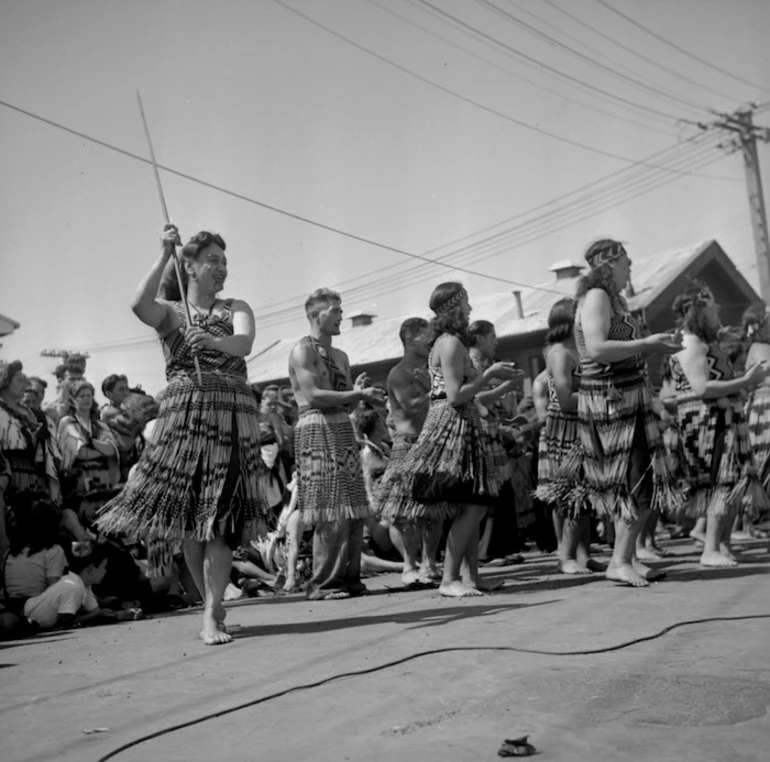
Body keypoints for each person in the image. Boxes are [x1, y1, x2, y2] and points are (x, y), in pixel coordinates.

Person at [96, 225, 265, 645]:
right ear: (189, 265)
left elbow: (243, 343)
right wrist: (163, 251)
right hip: (185, 420)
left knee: (221, 520)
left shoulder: (234, 307)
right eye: (213, 260)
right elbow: (138, 304)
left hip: (230, 418)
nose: (221, 268)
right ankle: (211, 602)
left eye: (225, 262)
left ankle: (212, 610)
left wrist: (210, 339)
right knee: (191, 523)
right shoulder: (172, 313)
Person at [382, 283, 519, 597]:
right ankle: (449, 580)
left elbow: (466, 391)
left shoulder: (448, 342)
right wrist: (489, 374)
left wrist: (493, 383)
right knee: (472, 506)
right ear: (453, 308)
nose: (470, 310)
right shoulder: (450, 344)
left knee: (473, 506)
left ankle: (470, 576)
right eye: (466, 303)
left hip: (463, 422)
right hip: (452, 424)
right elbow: (455, 395)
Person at [568, 239, 682, 587]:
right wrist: (648, 344)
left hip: (627, 397)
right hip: (612, 402)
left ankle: (628, 557)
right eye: (625, 263)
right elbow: (599, 347)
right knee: (636, 480)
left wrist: (652, 347)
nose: (630, 268)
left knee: (636, 480)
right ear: (608, 265)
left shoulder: (614, 299)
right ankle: (618, 561)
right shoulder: (597, 297)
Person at [288, 288, 386, 600]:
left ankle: (349, 578)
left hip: (342, 427)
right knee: (329, 508)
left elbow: (344, 406)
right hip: (315, 427)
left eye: (341, 309)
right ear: (315, 315)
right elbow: (315, 395)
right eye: (334, 310)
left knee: (354, 508)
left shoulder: (341, 356)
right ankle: (323, 584)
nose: (341, 315)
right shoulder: (302, 351)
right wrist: (358, 395)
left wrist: (355, 392)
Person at [669, 284, 768, 567]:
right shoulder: (690, 343)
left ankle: (722, 543)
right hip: (707, 424)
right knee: (720, 482)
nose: (719, 309)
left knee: (733, 483)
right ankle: (710, 548)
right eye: (713, 305)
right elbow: (702, 388)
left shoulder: (704, 341)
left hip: (723, 420)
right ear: (698, 310)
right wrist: (746, 381)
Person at [375, 317, 444, 585]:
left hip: (432, 444)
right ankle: (409, 565)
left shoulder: (430, 370)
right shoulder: (399, 373)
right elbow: (414, 406)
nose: (431, 343)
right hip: (408, 445)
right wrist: (435, 388)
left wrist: (434, 384)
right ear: (411, 339)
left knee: (435, 510)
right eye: (427, 338)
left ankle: (430, 563)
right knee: (408, 513)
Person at [536, 298, 603, 574]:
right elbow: (564, 399)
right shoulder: (560, 353)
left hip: (579, 426)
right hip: (565, 429)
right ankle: (565, 556)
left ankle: (583, 554)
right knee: (573, 496)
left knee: (584, 497)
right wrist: (599, 395)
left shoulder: (574, 350)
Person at [468, 320, 523, 566]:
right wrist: (505, 388)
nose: (496, 342)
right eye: (492, 337)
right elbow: (476, 399)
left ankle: (498, 548)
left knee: (499, 491)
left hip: (491, 435)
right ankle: (484, 550)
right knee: (488, 494)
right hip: (480, 438)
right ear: (479, 338)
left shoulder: (484, 365)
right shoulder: (471, 364)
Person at [0, 361, 62, 504]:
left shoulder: (37, 416)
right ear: (5, 381)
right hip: (9, 488)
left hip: (39, 485)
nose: (26, 385)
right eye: (20, 381)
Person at [58, 380, 120, 496]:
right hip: (78, 482)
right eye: (82, 396)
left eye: (89, 396)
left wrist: (91, 442)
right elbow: (81, 453)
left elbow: (111, 450)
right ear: (72, 400)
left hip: (103, 481)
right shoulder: (67, 422)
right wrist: (102, 450)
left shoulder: (99, 425)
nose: (86, 399)